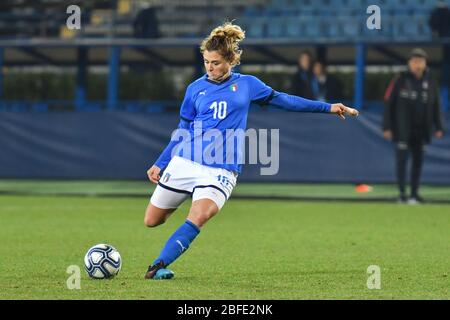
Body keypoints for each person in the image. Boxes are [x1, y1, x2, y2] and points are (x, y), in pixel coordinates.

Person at [143, 22, 359, 280]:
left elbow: (285, 101)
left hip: (221, 169)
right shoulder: (194, 89)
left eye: (216, 62)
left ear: (231, 61)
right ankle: (185, 196)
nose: (210, 68)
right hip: (186, 162)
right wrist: (161, 162)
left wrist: (328, 107)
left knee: (201, 215)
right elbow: (183, 129)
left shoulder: (247, 85)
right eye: (206, 62)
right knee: (152, 220)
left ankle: (157, 266)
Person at [383, 48, 445, 204]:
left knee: (418, 163)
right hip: (402, 129)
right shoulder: (400, 79)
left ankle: (414, 194)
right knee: (402, 162)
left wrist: (438, 127)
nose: (418, 64)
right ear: (409, 63)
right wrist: (387, 127)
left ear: (425, 64)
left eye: (421, 61)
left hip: (422, 130)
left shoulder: (430, 82)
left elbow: (436, 105)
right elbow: (389, 103)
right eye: (415, 61)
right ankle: (402, 193)